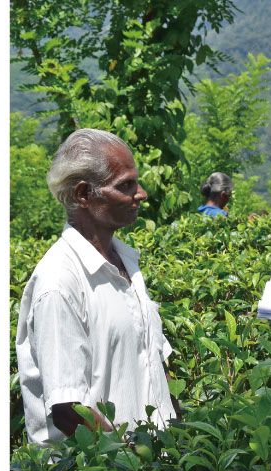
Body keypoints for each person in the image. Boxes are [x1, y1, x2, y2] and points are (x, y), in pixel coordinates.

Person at [16, 129, 175, 446]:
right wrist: (129, 461)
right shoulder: (59, 283)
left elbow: (154, 365)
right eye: (126, 185)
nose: (140, 193)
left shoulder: (126, 261)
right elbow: (69, 411)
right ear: (84, 194)